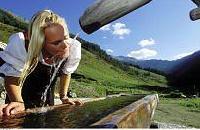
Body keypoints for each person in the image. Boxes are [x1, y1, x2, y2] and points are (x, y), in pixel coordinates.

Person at [0, 9, 82, 117]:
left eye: (65, 38)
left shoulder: (74, 47)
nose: (65, 46)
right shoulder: (21, 44)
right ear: (40, 43)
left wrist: (63, 96)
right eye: (56, 42)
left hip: (47, 97)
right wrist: (18, 101)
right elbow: (12, 77)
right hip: (19, 94)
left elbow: (66, 73)